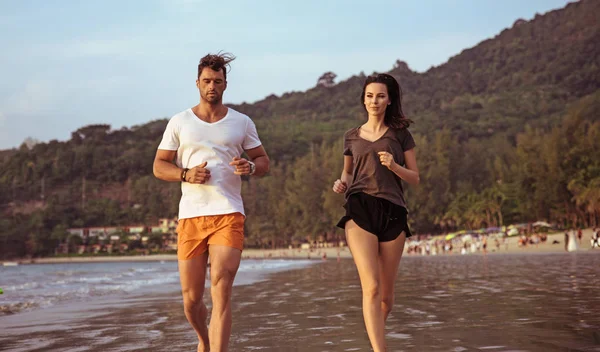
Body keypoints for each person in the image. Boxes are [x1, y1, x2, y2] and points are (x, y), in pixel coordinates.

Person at [153, 52, 269, 352]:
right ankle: (203, 340)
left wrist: (251, 167)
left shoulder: (241, 122)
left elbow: (262, 160)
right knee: (191, 300)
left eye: (217, 81)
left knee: (221, 286)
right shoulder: (180, 122)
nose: (212, 87)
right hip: (191, 216)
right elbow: (159, 166)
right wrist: (185, 174)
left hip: (228, 213)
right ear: (197, 83)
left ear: (225, 84)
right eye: (206, 81)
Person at [332, 73, 419, 352]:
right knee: (370, 287)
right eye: (369, 96)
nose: (374, 101)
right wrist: (340, 183)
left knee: (386, 298)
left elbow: (415, 177)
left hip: (393, 210)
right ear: (363, 99)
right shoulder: (351, 137)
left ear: (389, 100)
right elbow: (347, 173)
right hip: (360, 208)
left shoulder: (401, 135)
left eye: (380, 96)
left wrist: (394, 166)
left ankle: (373, 340)